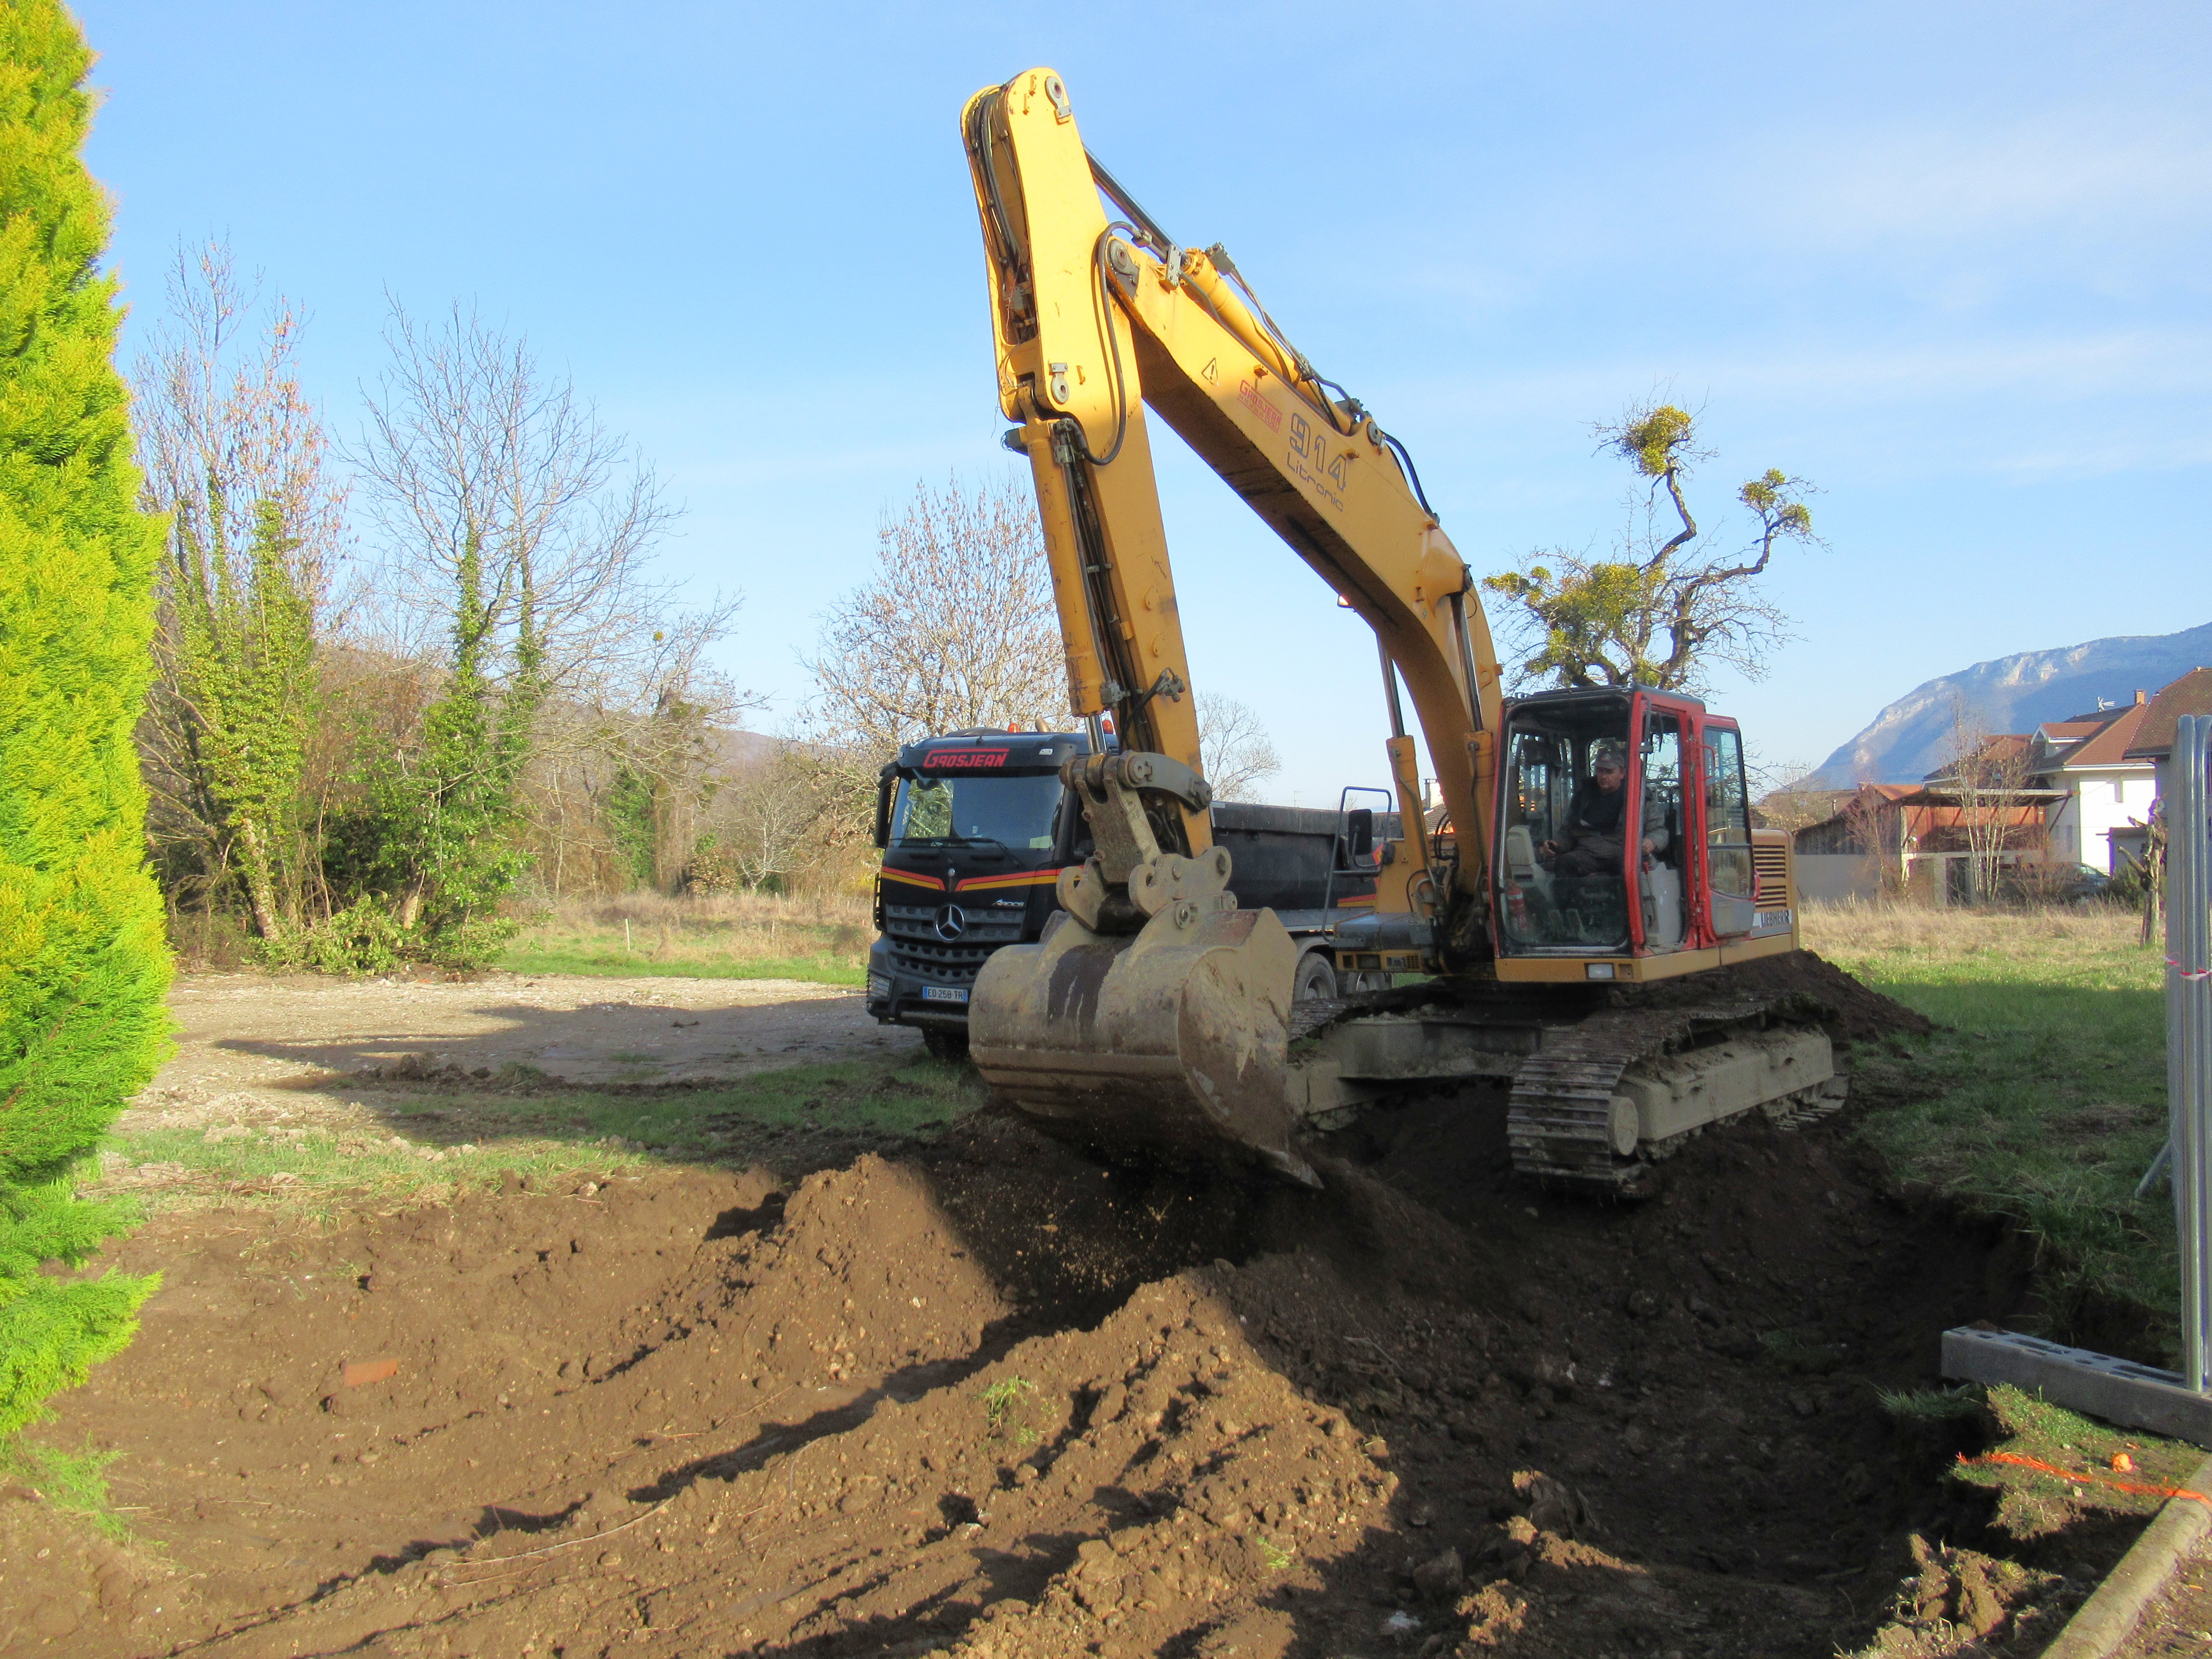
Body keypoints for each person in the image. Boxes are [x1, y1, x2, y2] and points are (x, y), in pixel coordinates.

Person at [1539, 746, 1667, 879]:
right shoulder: (1583, 797)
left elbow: (1659, 831)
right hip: (1587, 854)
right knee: (1565, 863)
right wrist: (1556, 844)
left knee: (1628, 865)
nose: (1604, 776)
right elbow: (1568, 831)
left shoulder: (1640, 798)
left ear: (1622, 774)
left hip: (1621, 852)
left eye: (1609, 772)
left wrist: (1651, 842)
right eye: (1600, 771)